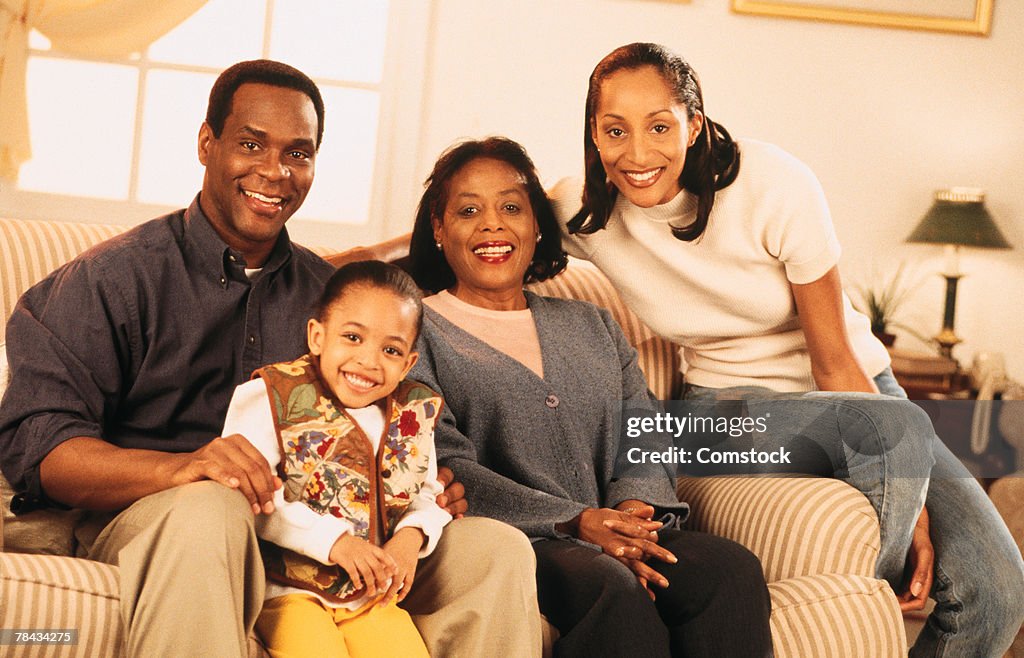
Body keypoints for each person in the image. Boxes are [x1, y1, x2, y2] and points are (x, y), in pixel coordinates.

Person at [0, 59, 540, 658]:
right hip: (155, 520)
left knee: (497, 550)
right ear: (207, 144)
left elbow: (393, 424)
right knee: (212, 510)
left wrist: (418, 495)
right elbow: (42, 447)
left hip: (317, 540)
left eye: (298, 154)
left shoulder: (340, 307)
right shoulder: (111, 280)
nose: (275, 172)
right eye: (251, 144)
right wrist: (181, 469)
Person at [552, 41, 1024, 657]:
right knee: (891, 434)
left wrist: (915, 509)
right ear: (593, 133)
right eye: (615, 131)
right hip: (724, 411)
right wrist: (381, 260)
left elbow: (834, 361)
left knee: (999, 590)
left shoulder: (773, 183)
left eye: (660, 126)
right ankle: (865, 607)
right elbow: (479, 213)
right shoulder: (580, 209)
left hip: (859, 395)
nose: (637, 153)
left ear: (694, 125)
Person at [407, 136, 774, 658]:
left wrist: (632, 515)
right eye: (469, 211)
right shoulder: (417, 331)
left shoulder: (591, 323)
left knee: (728, 568)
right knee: (612, 588)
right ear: (440, 231)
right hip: (526, 543)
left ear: (537, 225)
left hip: (618, 524)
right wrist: (578, 522)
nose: (492, 224)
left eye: (512, 207)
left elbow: (642, 426)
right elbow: (441, 463)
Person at [221, 261, 449, 658]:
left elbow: (427, 494)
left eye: (391, 350)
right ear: (317, 336)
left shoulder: (412, 414)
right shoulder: (271, 396)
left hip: (371, 596)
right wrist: (334, 542)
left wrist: (411, 537)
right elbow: (246, 497)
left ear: (408, 363)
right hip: (288, 592)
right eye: (352, 337)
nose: (368, 361)